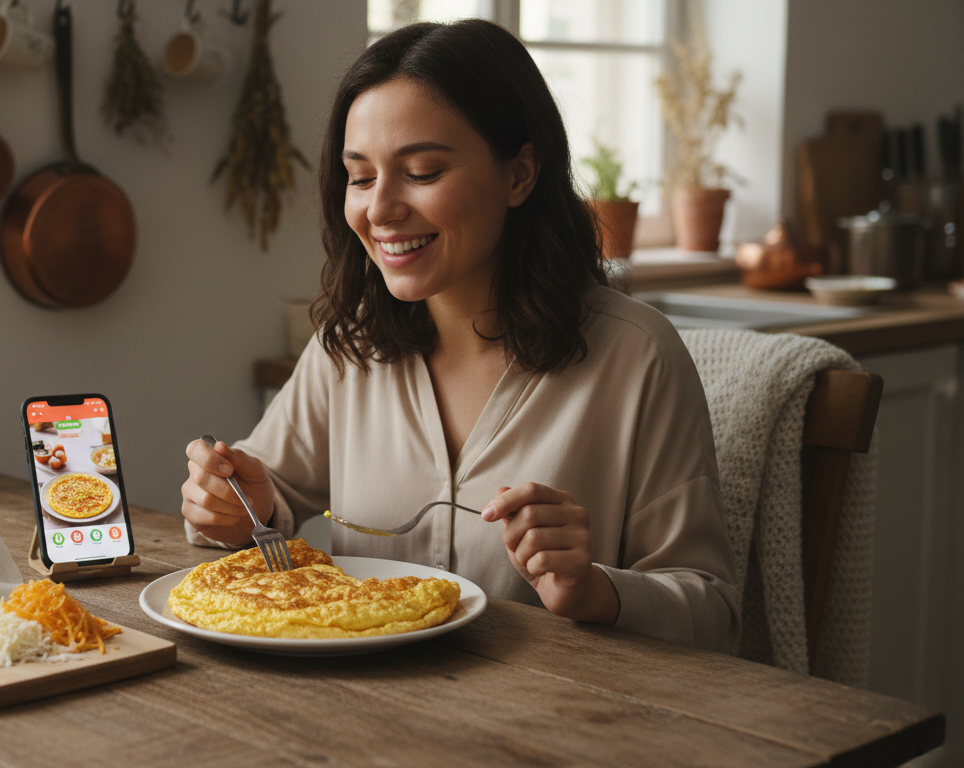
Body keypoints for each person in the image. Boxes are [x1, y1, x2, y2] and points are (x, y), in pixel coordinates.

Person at [180, 20, 740, 653]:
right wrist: (234, 507)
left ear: (520, 174)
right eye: (360, 177)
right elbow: (264, 495)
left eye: (420, 171)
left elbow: (715, 613)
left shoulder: (638, 356)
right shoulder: (349, 345)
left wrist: (597, 590)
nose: (380, 208)